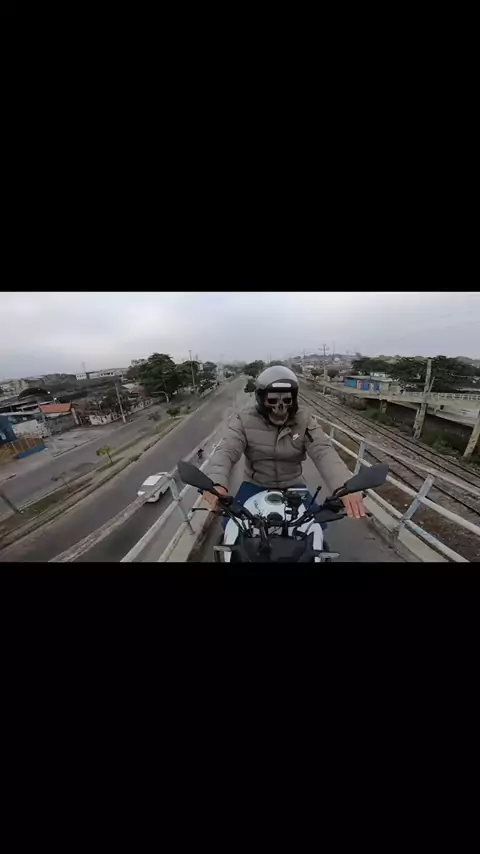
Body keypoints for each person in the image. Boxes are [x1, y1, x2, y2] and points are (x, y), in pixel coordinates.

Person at [205, 365, 366, 521]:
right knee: (230, 522)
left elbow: (323, 451)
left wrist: (344, 486)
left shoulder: (304, 420)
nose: (280, 407)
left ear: (294, 400)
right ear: (261, 399)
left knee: (317, 526)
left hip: (293, 484)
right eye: (273, 400)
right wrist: (216, 483)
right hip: (256, 483)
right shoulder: (244, 419)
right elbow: (226, 450)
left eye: (287, 400)